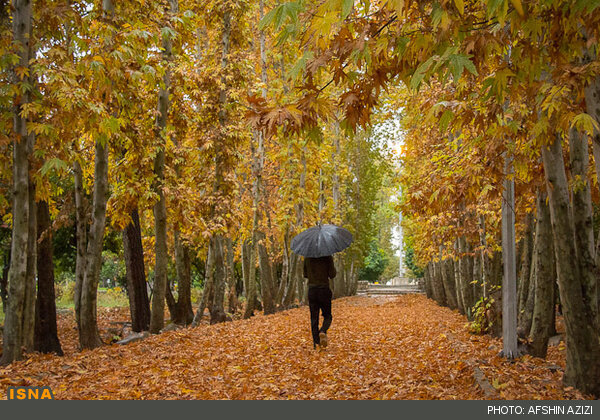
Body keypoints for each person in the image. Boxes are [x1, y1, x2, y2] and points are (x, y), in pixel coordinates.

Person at [303, 255, 336, 349]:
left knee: (314, 318)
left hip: (312, 290)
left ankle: (316, 344)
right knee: (327, 316)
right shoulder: (327, 256)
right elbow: (332, 274)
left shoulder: (308, 257)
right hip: (324, 289)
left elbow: (305, 274)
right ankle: (323, 331)